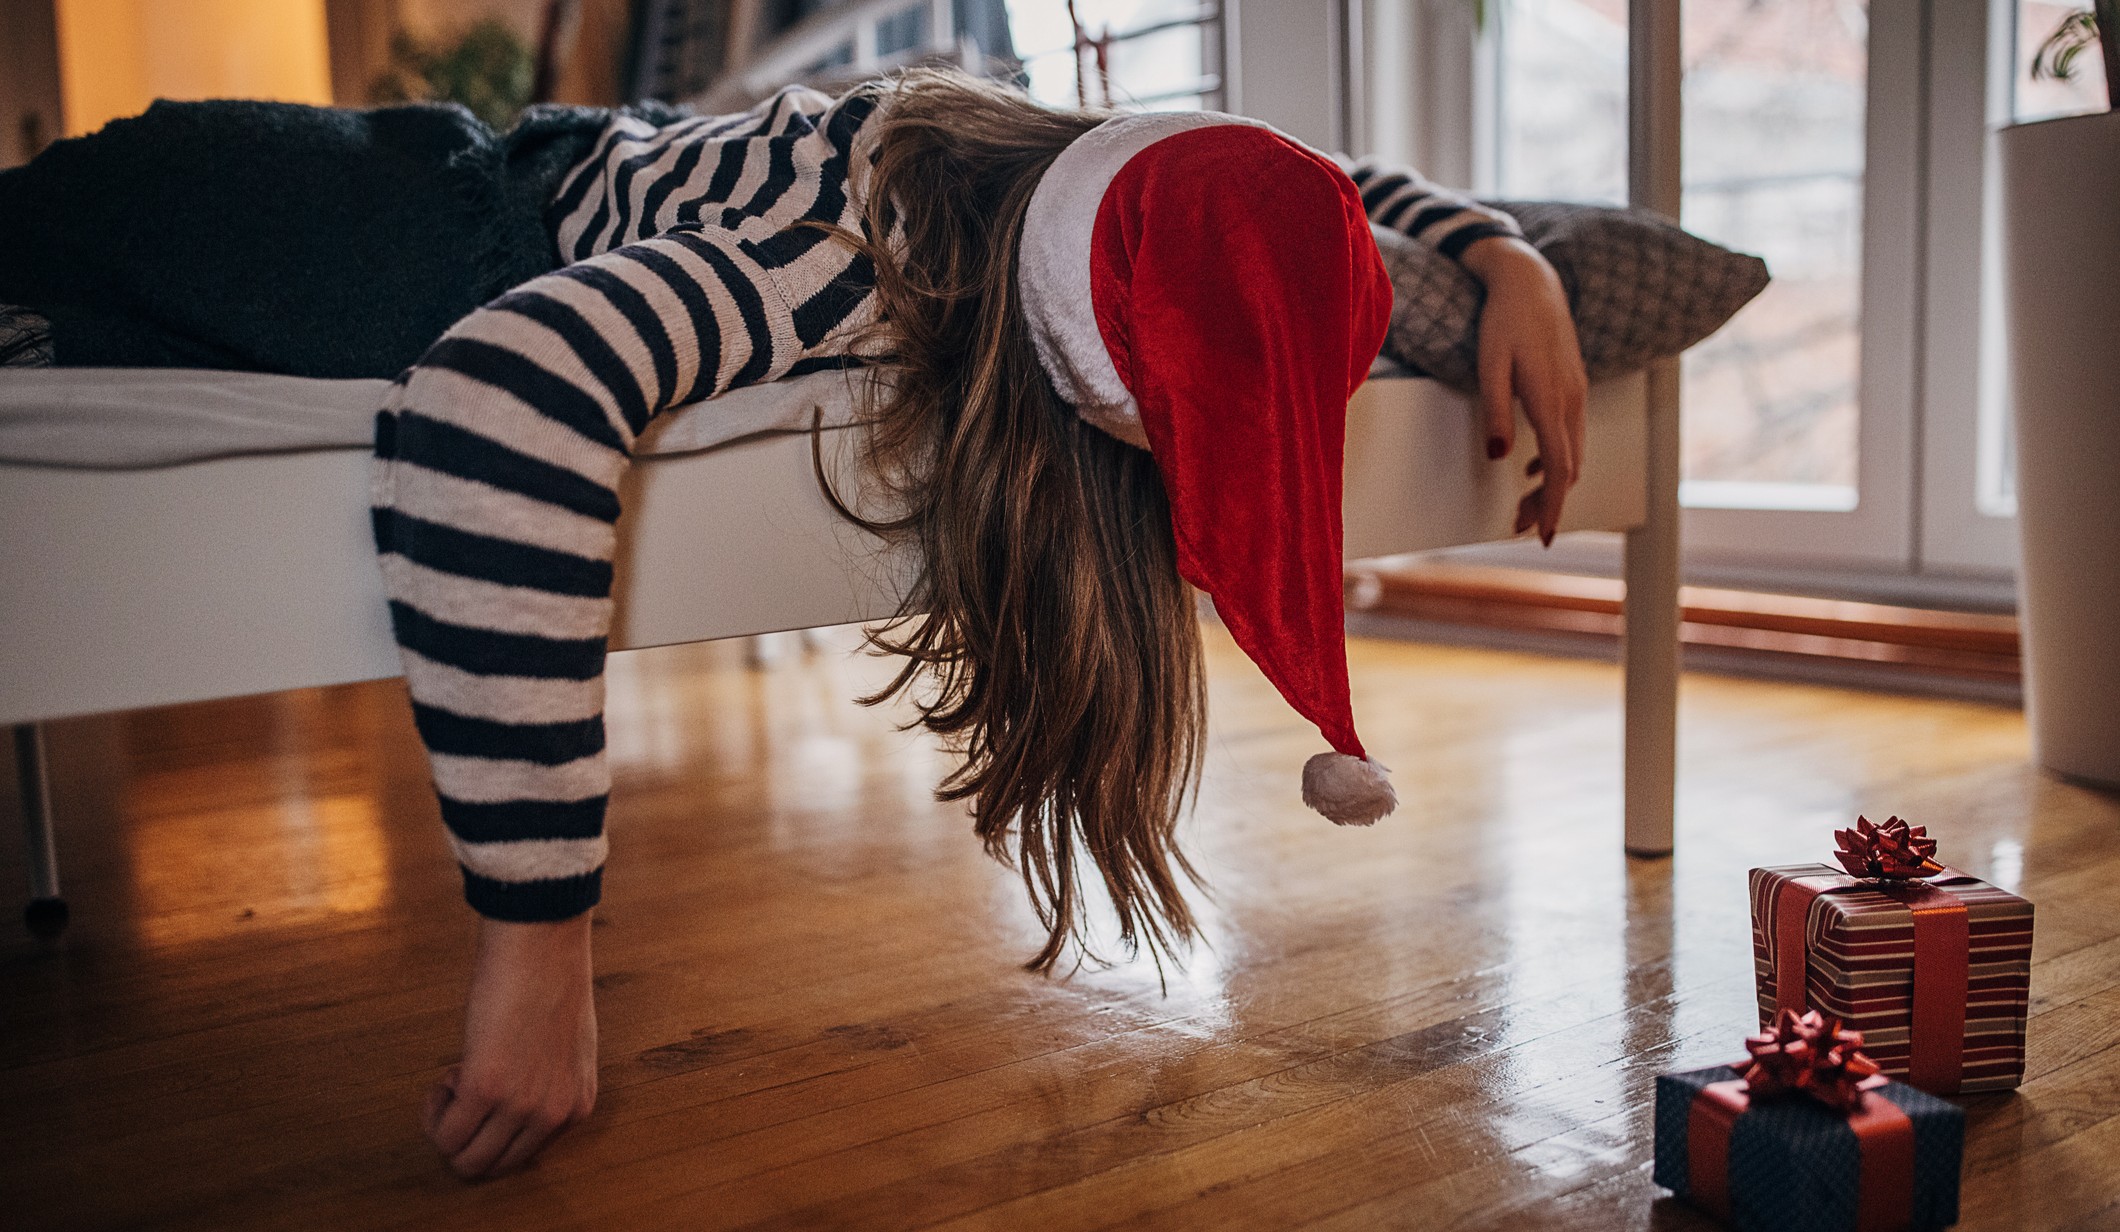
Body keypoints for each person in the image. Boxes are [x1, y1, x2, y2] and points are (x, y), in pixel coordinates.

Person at [11, 67, 1588, 1179]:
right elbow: (490, 402)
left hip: (458, 156)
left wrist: (1498, 250)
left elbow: (1299, 186)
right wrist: (539, 948)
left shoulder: (1026, 153)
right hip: (309, 214)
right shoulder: (834, 270)